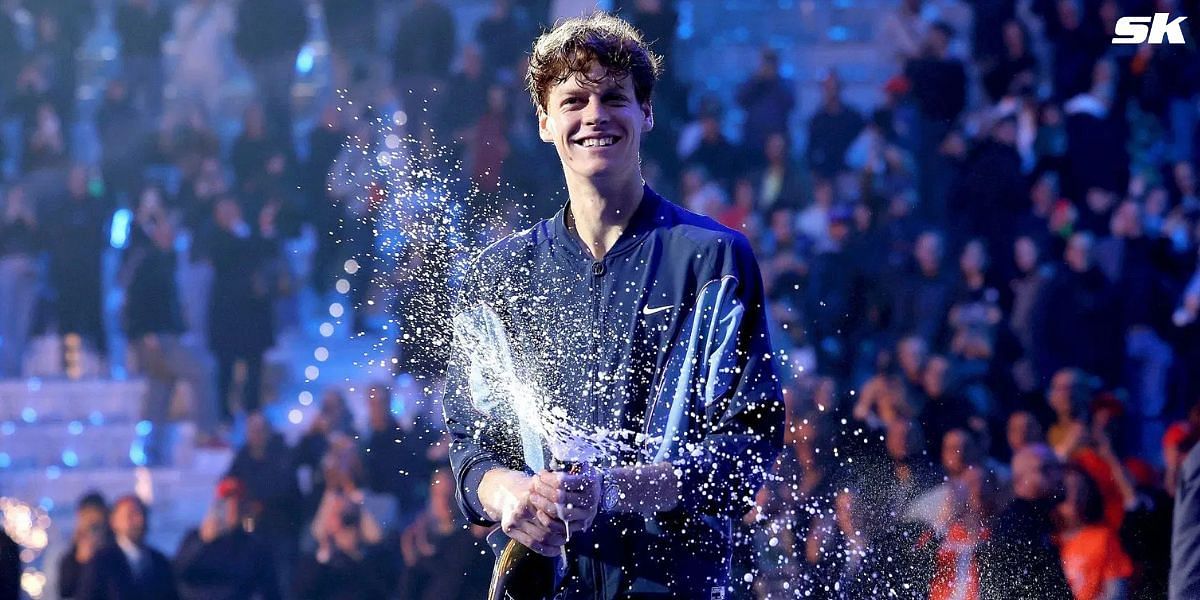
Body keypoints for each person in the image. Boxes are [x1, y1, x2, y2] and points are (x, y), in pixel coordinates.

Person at [442, 13, 784, 597]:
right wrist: (512, 496)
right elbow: (471, 450)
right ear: (545, 122)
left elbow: (748, 452)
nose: (594, 114)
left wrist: (617, 489)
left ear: (646, 113)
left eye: (614, 97)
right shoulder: (496, 277)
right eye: (573, 100)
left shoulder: (712, 262)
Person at [175, 477, 282, 600]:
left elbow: (270, 590)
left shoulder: (254, 547)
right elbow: (177, 574)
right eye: (226, 502)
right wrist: (202, 542)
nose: (232, 508)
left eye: (238, 503)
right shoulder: (195, 538)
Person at [76, 495, 179, 600]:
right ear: (114, 521)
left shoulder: (159, 561)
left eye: (142, 514)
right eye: (131, 515)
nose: (139, 520)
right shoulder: (101, 561)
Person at [58, 493, 110, 600]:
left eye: (96, 513)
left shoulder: (117, 550)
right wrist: (80, 561)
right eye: (86, 514)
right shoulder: (65, 551)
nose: (91, 520)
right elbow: (65, 591)